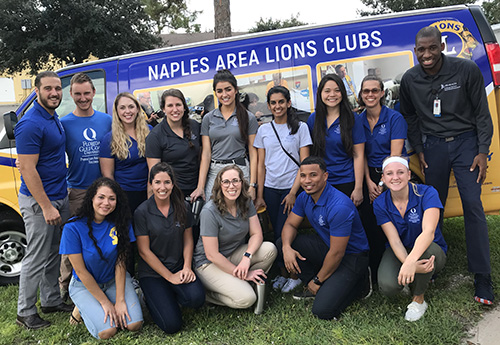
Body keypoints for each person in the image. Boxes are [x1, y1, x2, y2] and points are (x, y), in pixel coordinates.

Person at [400, 26, 494, 304]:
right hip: (433, 148)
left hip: (466, 145)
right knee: (433, 208)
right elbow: (409, 116)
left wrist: (481, 151)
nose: (426, 54)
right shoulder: (410, 79)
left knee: (473, 207)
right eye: (421, 49)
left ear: (441, 46)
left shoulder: (465, 70)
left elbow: (482, 114)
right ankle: (434, 263)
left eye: (432, 48)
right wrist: (418, 148)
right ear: (415, 51)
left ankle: (482, 276)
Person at [15, 71, 73, 330]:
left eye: (58, 88)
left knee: (53, 253)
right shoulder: (30, 123)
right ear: (36, 91)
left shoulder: (52, 116)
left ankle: (50, 300)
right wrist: (47, 206)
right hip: (41, 202)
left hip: (59, 196)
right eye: (48, 88)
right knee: (36, 256)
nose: (54, 93)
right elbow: (28, 169)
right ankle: (25, 312)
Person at [279, 156, 370, 320]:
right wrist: (286, 247)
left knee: (323, 311)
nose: (307, 180)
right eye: (303, 175)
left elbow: (337, 253)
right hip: (328, 248)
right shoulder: (304, 197)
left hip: (352, 257)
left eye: (313, 175)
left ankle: (361, 283)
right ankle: (321, 283)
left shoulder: (339, 206)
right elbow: (290, 225)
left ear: (325, 176)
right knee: (282, 243)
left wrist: (318, 281)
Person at [60, 178, 143, 339]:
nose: (106, 203)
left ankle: (108, 301)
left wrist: (119, 301)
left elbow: (120, 263)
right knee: (107, 331)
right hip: (84, 285)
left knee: (134, 324)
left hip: (113, 280)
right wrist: (105, 303)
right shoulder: (73, 227)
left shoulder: (121, 223)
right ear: (91, 198)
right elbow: (80, 271)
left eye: (112, 199)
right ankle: (81, 308)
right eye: (101, 197)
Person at [59, 72, 112, 301]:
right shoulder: (63, 124)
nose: (83, 98)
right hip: (78, 190)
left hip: (104, 191)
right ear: (71, 94)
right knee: (74, 239)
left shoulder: (106, 120)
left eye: (87, 93)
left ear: (94, 93)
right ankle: (65, 288)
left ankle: (104, 279)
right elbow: (49, 153)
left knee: (105, 237)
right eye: (78, 94)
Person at [134, 162, 205, 334]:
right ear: (150, 184)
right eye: (157, 182)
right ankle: (149, 298)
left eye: (167, 182)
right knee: (171, 325)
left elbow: (188, 240)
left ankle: (168, 295)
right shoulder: (142, 212)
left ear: (173, 184)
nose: (162, 187)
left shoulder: (183, 206)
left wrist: (187, 267)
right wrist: (169, 277)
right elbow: (144, 251)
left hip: (178, 266)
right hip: (153, 274)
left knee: (197, 298)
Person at [193, 165, 277, 310]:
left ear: (242, 183)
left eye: (235, 181)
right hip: (207, 264)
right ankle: (206, 295)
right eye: (226, 182)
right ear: (219, 185)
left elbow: (257, 234)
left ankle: (241, 282)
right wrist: (244, 274)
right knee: (247, 299)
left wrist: (247, 258)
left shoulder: (245, 202)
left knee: (269, 249)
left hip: (233, 254)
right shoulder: (209, 211)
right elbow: (212, 254)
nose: (231, 186)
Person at [373, 156, 447, 321]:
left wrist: (410, 263)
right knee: (388, 286)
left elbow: (428, 232)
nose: (395, 177)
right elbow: (394, 241)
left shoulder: (427, 193)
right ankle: (410, 277)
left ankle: (418, 299)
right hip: (402, 249)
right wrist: (409, 263)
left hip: (430, 248)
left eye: (400, 172)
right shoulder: (380, 203)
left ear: (408, 174)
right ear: (383, 178)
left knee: (426, 253)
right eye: (389, 173)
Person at [253, 86, 312, 292]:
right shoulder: (263, 130)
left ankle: (294, 274)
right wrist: (259, 195)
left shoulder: (300, 128)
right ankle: (282, 271)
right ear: (268, 106)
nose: (277, 106)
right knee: (274, 232)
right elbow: (260, 165)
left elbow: (304, 164)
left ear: (288, 103)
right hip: (270, 189)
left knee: (286, 231)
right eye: (273, 103)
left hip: (291, 188)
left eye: (281, 102)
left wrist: (293, 193)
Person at [357, 75, 407, 282]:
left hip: (392, 174)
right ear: (361, 95)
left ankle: (403, 263)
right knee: (370, 223)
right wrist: (368, 182)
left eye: (374, 91)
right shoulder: (358, 120)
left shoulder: (395, 118)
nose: (370, 95)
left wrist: (380, 184)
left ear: (382, 93)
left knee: (394, 221)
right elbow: (361, 154)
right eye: (366, 91)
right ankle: (376, 269)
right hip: (369, 174)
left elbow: (394, 157)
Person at [192, 69, 259, 201]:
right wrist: (200, 186)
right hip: (215, 171)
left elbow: (253, 152)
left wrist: (252, 185)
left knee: (241, 214)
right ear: (215, 93)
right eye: (219, 91)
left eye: (228, 89)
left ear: (235, 90)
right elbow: (206, 154)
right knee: (210, 212)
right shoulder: (208, 118)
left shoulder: (248, 117)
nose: (224, 94)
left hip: (240, 170)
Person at [307, 74, 366, 207]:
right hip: (322, 182)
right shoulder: (313, 120)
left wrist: (358, 187)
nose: (332, 95)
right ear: (320, 93)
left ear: (343, 93)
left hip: (347, 180)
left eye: (337, 90)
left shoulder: (352, 119)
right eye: (327, 91)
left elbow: (358, 155)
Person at [99, 92, 150, 215]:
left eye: (131, 107)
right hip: (124, 195)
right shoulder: (109, 139)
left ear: (138, 108)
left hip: (149, 192)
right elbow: (108, 176)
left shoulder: (150, 131)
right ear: (116, 111)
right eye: (122, 108)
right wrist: (115, 199)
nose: (127, 111)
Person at [146, 89, 201, 199]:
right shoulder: (155, 135)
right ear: (163, 109)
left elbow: (202, 157)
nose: (175, 109)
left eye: (178, 105)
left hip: (197, 189)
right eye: (170, 105)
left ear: (184, 107)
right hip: (172, 192)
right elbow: (154, 174)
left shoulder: (195, 126)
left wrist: (201, 186)